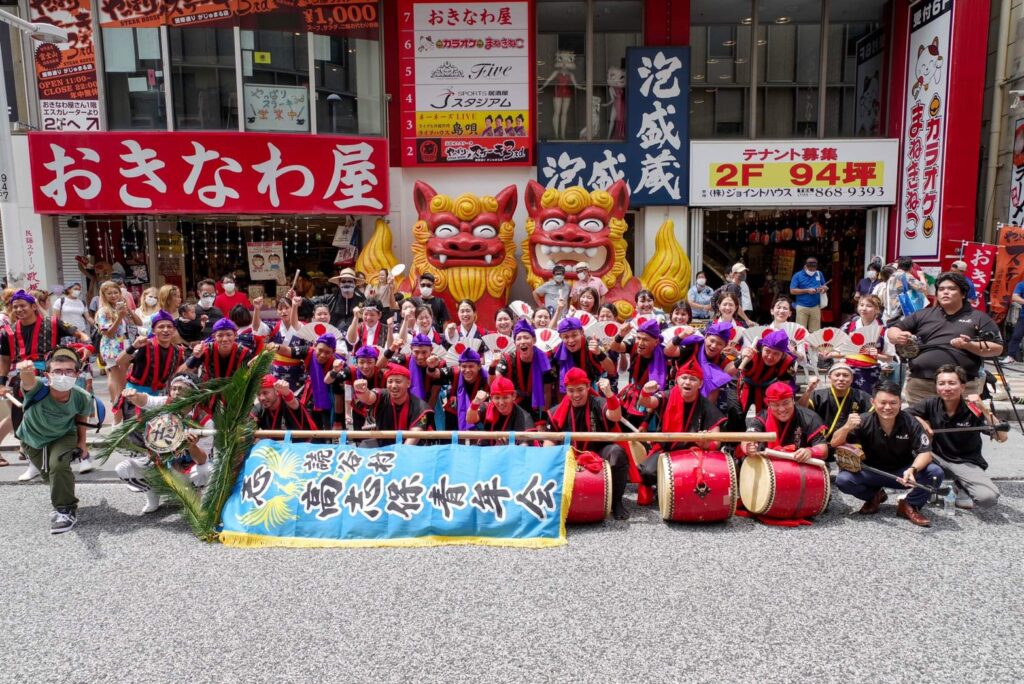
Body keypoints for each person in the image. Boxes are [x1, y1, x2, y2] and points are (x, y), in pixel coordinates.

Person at [830, 382, 943, 527]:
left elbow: (925, 453)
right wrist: (846, 427)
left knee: (935, 473)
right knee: (844, 480)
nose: (888, 407)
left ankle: (909, 504)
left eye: (893, 403)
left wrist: (912, 469)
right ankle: (874, 496)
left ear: (900, 403)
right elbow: (834, 443)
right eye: (882, 402)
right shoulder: (862, 420)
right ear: (873, 402)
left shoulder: (911, 422)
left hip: (903, 473)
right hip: (871, 471)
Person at [12, 348, 95, 534]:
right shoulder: (38, 389)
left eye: (68, 371)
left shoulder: (82, 396)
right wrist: (25, 371)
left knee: (57, 466)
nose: (63, 376)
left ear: (77, 374)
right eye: (57, 371)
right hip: (32, 437)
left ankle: (65, 510)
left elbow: (82, 419)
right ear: (47, 375)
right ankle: (64, 490)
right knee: (50, 475)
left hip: (64, 435)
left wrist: (82, 443)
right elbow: (28, 382)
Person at [887, 272, 1003, 404]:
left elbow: (997, 348)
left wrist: (968, 345)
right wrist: (898, 336)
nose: (945, 292)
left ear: (963, 294)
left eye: (952, 289)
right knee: (919, 423)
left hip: (962, 386)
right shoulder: (923, 314)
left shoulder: (979, 317)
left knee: (963, 424)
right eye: (941, 289)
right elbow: (893, 330)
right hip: (921, 385)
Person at [908, 364, 1006, 510]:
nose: (946, 388)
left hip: (965, 461)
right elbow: (904, 415)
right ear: (936, 387)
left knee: (988, 498)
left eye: (952, 383)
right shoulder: (930, 403)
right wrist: (921, 421)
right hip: (936, 456)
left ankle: (960, 486)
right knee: (907, 445)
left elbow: (1001, 437)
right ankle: (925, 487)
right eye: (941, 383)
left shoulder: (973, 408)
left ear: (962, 387)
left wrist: (984, 409)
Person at [117, 373, 214, 514]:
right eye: (173, 388)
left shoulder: (205, 420)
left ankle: (194, 496)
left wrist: (192, 446)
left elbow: (202, 460)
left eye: (182, 389)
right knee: (124, 468)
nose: (176, 392)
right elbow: (146, 400)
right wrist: (134, 396)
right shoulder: (165, 403)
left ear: (194, 393)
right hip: (162, 465)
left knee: (208, 470)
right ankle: (152, 492)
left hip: (189, 468)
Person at [546, 368, 629, 520]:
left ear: (588, 387)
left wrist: (609, 394)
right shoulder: (556, 411)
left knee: (617, 453)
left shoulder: (598, 403)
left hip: (598, 451)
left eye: (580, 390)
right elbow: (549, 439)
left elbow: (616, 416)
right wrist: (549, 458)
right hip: (570, 453)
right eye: (571, 390)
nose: (576, 395)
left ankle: (617, 501)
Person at [637, 360, 725, 489]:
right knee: (646, 472)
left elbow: (716, 442)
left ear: (700, 384)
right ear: (677, 380)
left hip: (693, 453)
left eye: (693, 379)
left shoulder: (706, 406)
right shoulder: (666, 396)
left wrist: (704, 443)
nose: (687, 382)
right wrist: (645, 391)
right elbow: (647, 403)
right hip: (666, 450)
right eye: (684, 378)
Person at [740, 381, 828, 473]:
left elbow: (823, 450)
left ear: (793, 400)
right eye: (776, 405)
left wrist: (810, 451)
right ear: (769, 405)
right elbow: (748, 437)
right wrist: (748, 446)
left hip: (799, 469)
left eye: (786, 403)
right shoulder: (762, 417)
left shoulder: (809, 417)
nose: (782, 409)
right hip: (768, 470)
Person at [115, 311, 185, 411]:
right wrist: (133, 346)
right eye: (161, 327)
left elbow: (181, 373)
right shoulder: (144, 345)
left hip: (159, 397)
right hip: (135, 394)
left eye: (169, 327)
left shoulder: (178, 351)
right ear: (153, 331)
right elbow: (119, 361)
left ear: (174, 330)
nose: (166, 330)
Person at [800, 362, 872, 454]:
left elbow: (873, 417)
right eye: (837, 375)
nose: (841, 379)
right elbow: (801, 411)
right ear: (829, 377)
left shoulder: (862, 397)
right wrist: (808, 391)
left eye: (845, 375)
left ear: (852, 379)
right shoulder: (818, 395)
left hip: (850, 447)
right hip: (822, 445)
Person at [352, 364, 433, 446]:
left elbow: (414, 437)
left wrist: (400, 455)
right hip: (383, 447)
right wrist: (361, 391)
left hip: (412, 450)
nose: (393, 386)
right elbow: (368, 398)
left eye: (398, 382)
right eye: (390, 382)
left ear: (408, 383)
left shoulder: (420, 406)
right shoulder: (381, 395)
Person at [608, 318, 668, 424]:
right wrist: (621, 334)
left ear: (656, 341)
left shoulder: (664, 354)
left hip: (653, 399)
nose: (640, 343)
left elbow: (657, 391)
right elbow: (614, 347)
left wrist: (645, 423)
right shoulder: (634, 345)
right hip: (633, 395)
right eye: (638, 338)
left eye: (645, 339)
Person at [95, 280, 138, 425]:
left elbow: (138, 323)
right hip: (112, 348)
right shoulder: (103, 312)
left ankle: (121, 415)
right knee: (118, 382)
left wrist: (128, 311)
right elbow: (108, 333)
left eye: (116, 292)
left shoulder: (120, 308)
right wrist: (119, 317)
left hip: (124, 346)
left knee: (122, 381)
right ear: (104, 295)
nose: (113, 296)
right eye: (109, 293)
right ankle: (117, 417)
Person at [495, 319, 554, 423]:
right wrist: (493, 368)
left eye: (526, 337)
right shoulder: (508, 359)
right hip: (514, 405)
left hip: (538, 405)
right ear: (514, 342)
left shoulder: (545, 360)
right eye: (519, 338)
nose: (522, 341)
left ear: (534, 340)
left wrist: (543, 420)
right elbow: (497, 380)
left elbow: (547, 392)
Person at [839, 294, 891, 394]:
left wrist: (877, 355)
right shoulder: (849, 326)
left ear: (877, 310)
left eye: (869, 306)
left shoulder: (884, 331)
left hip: (870, 372)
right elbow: (838, 347)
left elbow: (889, 358)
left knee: (866, 401)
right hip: (848, 370)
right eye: (861, 305)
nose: (864, 308)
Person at [737, 329, 797, 414]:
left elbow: (784, 386)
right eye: (767, 351)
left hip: (771, 388)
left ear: (783, 355)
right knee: (736, 414)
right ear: (762, 348)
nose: (770, 357)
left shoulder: (788, 362)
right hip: (746, 386)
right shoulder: (751, 353)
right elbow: (734, 368)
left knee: (769, 415)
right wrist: (742, 357)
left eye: (776, 353)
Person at [550, 317, 616, 392]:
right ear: (560, 337)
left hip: (594, 390)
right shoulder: (556, 352)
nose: (571, 340)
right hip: (569, 393)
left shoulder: (593, 344)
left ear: (582, 332)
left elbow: (611, 370)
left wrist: (599, 353)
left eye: (574, 335)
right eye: (566, 337)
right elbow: (559, 384)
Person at [465, 376, 533, 443]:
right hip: (487, 452)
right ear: (491, 398)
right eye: (497, 398)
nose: (501, 403)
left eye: (505, 397)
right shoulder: (487, 407)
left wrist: (503, 449)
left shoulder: (524, 417)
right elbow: (470, 420)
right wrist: (475, 402)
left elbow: (525, 447)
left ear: (514, 396)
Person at [182, 318, 254, 381]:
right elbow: (184, 373)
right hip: (208, 391)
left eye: (229, 335)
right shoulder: (205, 349)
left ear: (235, 335)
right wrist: (195, 357)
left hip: (235, 392)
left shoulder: (244, 352)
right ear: (214, 337)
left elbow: (250, 377)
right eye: (220, 335)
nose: (225, 339)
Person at [789, 257, 827, 332]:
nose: (812, 271)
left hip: (816, 306)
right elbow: (792, 291)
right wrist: (807, 290)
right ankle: (801, 344)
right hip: (802, 306)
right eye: (810, 269)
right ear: (805, 266)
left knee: (815, 332)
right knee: (801, 331)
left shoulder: (819, 274)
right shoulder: (797, 275)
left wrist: (824, 289)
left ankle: (812, 344)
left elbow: (824, 285)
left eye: (814, 269)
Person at [1002, 278, 1024, 363]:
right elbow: (1015, 297)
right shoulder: (1021, 284)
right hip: (1023, 316)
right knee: (1016, 336)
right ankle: (1011, 356)